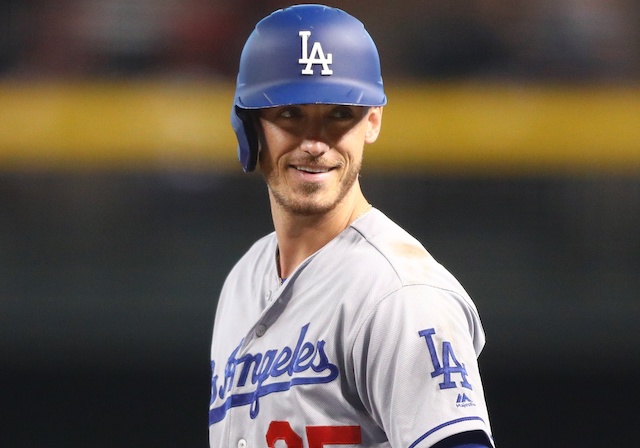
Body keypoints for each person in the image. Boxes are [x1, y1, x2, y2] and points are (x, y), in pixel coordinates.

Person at [209, 4, 495, 447]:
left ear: (373, 121)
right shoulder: (244, 279)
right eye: (290, 114)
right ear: (248, 126)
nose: (315, 143)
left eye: (340, 114)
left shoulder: (399, 294)